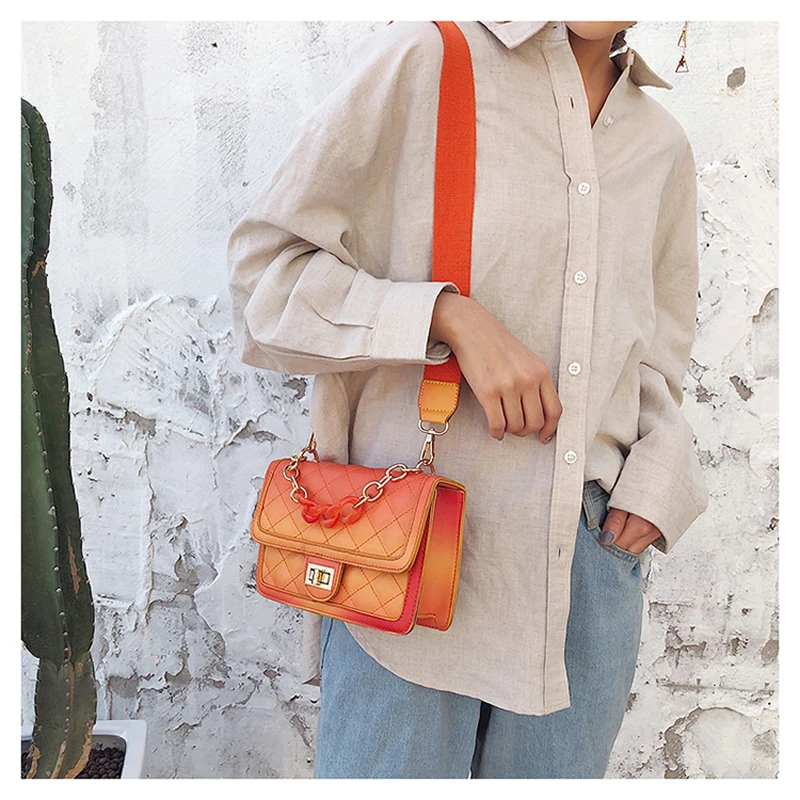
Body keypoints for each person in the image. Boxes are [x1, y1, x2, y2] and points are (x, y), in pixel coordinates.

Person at [227, 20, 709, 779]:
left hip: (586, 573)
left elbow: (656, 357)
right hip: (409, 559)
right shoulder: (425, 59)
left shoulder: (661, 144)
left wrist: (656, 486)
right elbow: (266, 284)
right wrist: (447, 317)